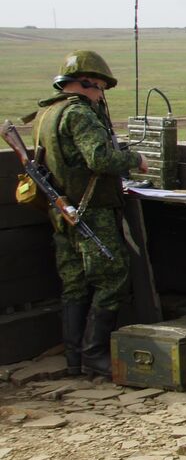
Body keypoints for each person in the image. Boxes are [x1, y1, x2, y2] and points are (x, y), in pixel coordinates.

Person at [32, 51, 145, 377]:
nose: (101, 96)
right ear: (86, 83)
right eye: (100, 88)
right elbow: (99, 158)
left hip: (63, 212)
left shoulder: (47, 113)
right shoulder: (79, 114)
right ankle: (94, 354)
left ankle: (74, 358)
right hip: (91, 211)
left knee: (75, 283)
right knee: (113, 277)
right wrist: (134, 160)